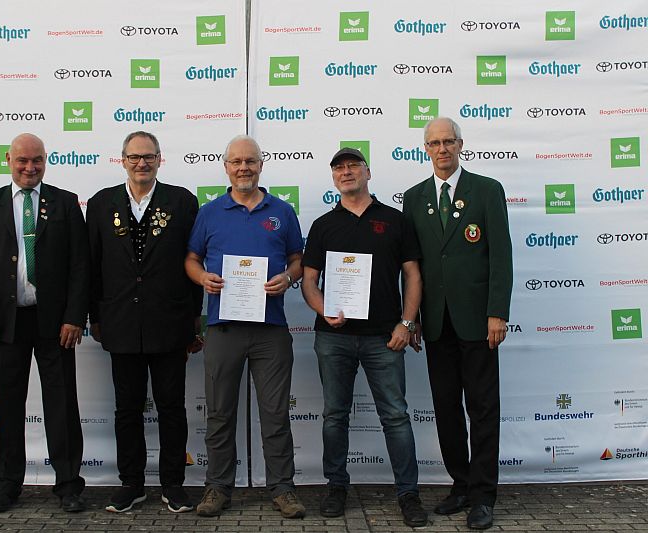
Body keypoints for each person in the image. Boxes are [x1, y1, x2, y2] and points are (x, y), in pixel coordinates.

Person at [301, 147, 428, 527]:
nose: (346, 172)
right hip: (333, 338)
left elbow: (413, 275)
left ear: (368, 173)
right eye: (339, 168)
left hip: (384, 338)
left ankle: (408, 493)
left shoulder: (395, 220)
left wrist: (407, 324)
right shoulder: (323, 225)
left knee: (395, 416)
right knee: (334, 416)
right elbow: (309, 281)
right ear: (333, 177)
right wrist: (323, 309)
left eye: (353, 166)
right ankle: (336, 486)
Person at [0, 133, 89, 513]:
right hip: (6, 324)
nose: (30, 168)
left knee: (62, 406)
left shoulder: (65, 203)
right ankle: (5, 486)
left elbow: (80, 265)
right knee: (7, 405)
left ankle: (68, 486)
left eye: (37, 160)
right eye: (22, 161)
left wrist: (74, 317)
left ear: (45, 160)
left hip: (55, 325)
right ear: (8, 160)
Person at [185, 135, 306, 519]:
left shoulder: (282, 211)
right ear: (226, 167)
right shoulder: (209, 212)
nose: (243, 168)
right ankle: (218, 487)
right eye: (236, 161)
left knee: (275, 414)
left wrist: (288, 277)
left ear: (260, 165)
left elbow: (298, 258)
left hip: (271, 329)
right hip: (224, 328)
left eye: (250, 161)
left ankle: (283, 489)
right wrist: (202, 277)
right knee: (220, 413)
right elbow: (191, 259)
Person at [402, 117, 513, 530]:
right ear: (425, 149)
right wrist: (411, 317)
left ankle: (483, 495)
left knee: (482, 408)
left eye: (449, 141)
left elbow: (501, 254)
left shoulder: (486, 190)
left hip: (478, 320)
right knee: (446, 408)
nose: (442, 149)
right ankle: (461, 484)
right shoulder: (414, 198)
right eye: (434, 143)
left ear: (461, 145)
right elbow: (411, 265)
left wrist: (497, 312)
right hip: (435, 322)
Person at [86, 131, 203, 514]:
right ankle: (131, 484)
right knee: (126, 409)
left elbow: (194, 262)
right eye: (134, 157)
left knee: (172, 408)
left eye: (148, 156)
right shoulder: (101, 204)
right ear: (123, 160)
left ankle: (173, 484)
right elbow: (92, 266)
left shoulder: (182, 201)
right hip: (120, 323)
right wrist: (95, 317)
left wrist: (195, 320)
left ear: (159, 159)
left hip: (170, 322)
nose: (142, 163)